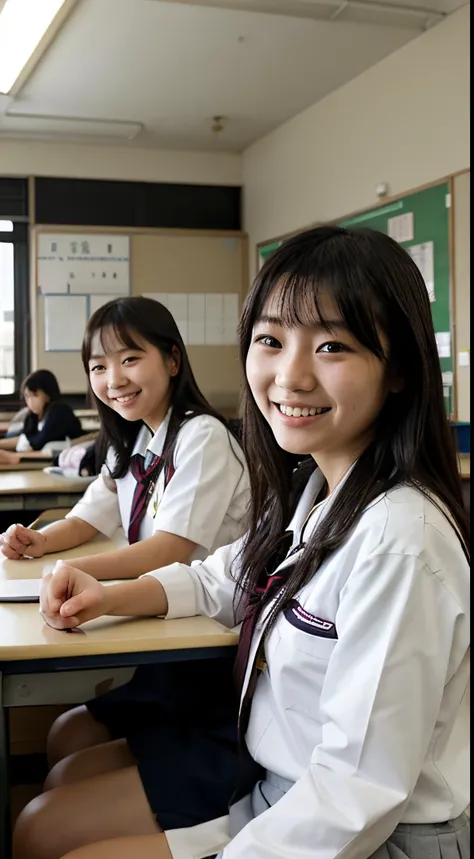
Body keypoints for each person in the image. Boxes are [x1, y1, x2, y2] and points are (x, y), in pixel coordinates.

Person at [16, 227, 469, 859]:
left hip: (364, 832)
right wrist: (108, 591)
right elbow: (221, 578)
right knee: (45, 815)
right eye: (270, 341)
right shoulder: (317, 491)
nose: (292, 376)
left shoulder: (399, 539)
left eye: (333, 345)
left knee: (47, 831)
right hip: (274, 781)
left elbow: (354, 794)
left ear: (397, 371)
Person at [0, 369, 82, 453]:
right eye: (27, 396)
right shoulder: (33, 415)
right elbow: (26, 438)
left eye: (34, 396)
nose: (30, 401)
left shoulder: (59, 411)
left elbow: (37, 443)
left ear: (48, 395)